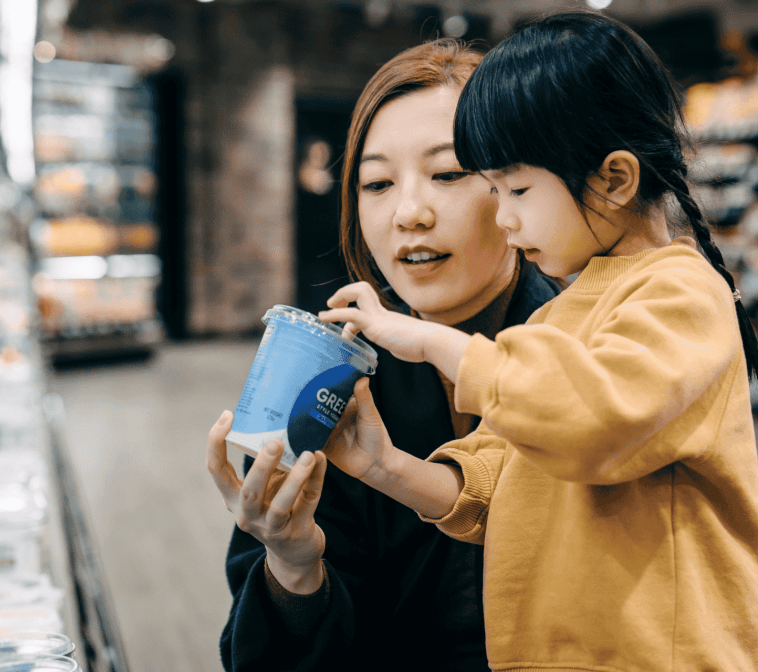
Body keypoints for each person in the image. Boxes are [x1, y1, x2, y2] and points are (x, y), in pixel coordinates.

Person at [318, 11, 758, 670]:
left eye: (517, 188)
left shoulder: (682, 294)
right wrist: (386, 468)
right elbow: (499, 479)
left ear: (614, 179)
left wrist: (432, 342)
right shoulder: (561, 313)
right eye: (493, 189)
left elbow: (592, 416)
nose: (504, 216)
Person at [206, 39, 561, 671]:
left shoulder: (594, 347)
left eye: (448, 173)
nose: (408, 213)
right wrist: (293, 565)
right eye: (377, 183)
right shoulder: (325, 375)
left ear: (517, 185)